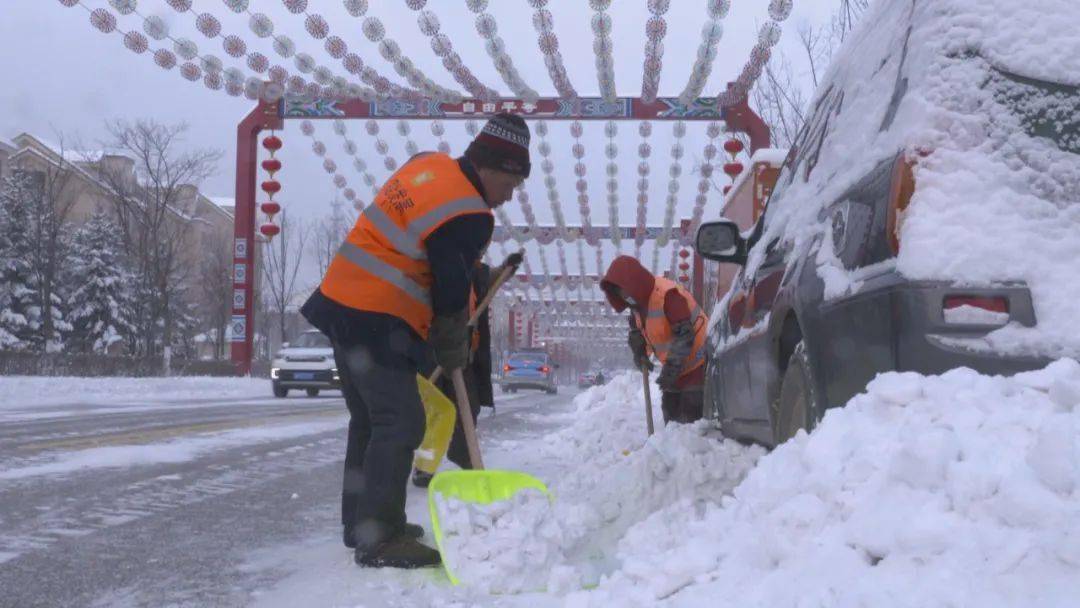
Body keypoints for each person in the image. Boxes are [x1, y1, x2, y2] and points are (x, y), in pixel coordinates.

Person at [300, 113, 531, 569]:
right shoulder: (470, 213)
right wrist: (451, 335)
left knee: (367, 421)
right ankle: (381, 538)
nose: (510, 195)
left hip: (340, 300)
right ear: (493, 167)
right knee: (400, 423)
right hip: (376, 316)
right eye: (513, 182)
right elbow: (448, 280)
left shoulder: (428, 167)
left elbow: (429, 257)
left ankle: (362, 525)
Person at [412, 253, 522, 488]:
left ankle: (464, 455)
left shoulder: (474, 270)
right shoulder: (440, 265)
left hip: (464, 353)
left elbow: (487, 281)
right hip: (434, 350)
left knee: (468, 409)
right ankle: (424, 467)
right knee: (434, 413)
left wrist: (505, 269)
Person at [599, 256, 708, 424]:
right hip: (676, 368)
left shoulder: (667, 295)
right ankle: (669, 448)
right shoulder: (636, 306)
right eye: (620, 293)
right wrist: (639, 353)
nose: (625, 297)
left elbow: (685, 335)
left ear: (635, 283)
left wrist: (671, 370)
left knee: (690, 415)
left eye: (625, 291)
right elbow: (637, 333)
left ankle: (692, 449)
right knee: (670, 413)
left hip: (698, 363)